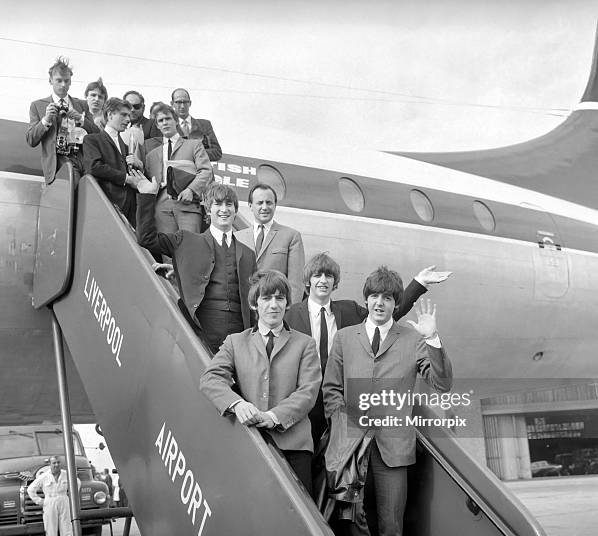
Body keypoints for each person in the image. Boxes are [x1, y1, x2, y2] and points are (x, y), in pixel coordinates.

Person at [322, 267, 453, 536]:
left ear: (396, 304)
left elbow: (442, 383)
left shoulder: (412, 339)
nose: (380, 302)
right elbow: (331, 390)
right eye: (375, 296)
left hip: (394, 449)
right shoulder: (345, 338)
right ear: (366, 299)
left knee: (391, 533)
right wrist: (342, 424)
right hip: (351, 446)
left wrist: (434, 339)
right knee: (352, 520)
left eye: (388, 298)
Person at [285, 252, 451, 445]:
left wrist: (419, 284)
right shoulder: (290, 316)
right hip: (305, 404)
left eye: (328, 276)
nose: (323, 281)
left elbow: (385, 313)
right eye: (317, 276)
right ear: (308, 281)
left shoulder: (349, 310)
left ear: (335, 282)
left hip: (343, 407)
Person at [200, 270, 321, 493]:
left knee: (297, 524)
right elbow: (210, 378)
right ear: (255, 303)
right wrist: (237, 404)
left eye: (279, 298)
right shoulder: (235, 342)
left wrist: (273, 417)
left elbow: (308, 391)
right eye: (266, 298)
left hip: (294, 446)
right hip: (250, 443)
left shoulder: (305, 344)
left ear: (287, 303)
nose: (273, 305)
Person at [136, 182, 256, 352]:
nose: (224, 209)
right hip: (201, 329)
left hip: (240, 337)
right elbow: (146, 239)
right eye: (218, 204)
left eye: (229, 204)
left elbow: (254, 301)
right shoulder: (185, 240)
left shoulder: (248, 254)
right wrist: (147, 196)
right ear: (208, 209)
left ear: (235, 211)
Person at [26, 56, 98, 185]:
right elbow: (31, 140)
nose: (63, 85)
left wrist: (80, 118)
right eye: (59, 80)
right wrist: (46, 120)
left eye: (67, 81)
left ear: (70, 82)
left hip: (84, 160)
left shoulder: (82, 105)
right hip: (59, 162)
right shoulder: (37, 105)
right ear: (50, 81)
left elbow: (96, 134)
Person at [144, 102, 213, 233]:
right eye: (161, 120)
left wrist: (191, 190)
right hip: (161, 207)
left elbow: (205, 171)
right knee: (167, 250)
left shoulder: (194, 145)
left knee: (190, 247)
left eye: (168, 118)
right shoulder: (151, 156)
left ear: (176, 121)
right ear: (157, 125)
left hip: (187, 203)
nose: (165, 122)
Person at [235, 183, 305, 304]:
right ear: (250, 206)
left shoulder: (292, 236)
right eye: (260, 203)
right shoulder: (237, 237)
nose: (264, 207)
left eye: (269, 203)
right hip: (244, 310)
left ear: (275, 205)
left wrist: (291, 312)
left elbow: (296, 283)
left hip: (275, 308)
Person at [83, 97, 146, 227]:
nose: (128, 119)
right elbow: (94, 167)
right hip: (106, 204)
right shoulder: (92, 139)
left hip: (129, 207)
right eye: (123, 115)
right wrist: (127, 179)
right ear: (110, 115)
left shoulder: (125, 144)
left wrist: (139, 166)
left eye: (128, 116)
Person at [27, 456, 80, 536]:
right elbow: (30, 489)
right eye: (54, 463)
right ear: (50, 464)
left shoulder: (67, 474)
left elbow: (78, 483)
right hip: (49, 502)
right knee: (50, 532)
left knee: (67, 530)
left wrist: (72, 496)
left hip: (63, 500)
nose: (56, 465)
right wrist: (40, 501)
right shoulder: (44, 476)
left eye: (58, 462)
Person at [171, 88, 222, 161]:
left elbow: (217, 153)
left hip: (201, 171)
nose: (182, 106)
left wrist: (195, 153)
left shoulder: (205, 125)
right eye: (178, 102)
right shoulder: (168, 127)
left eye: (185, 102)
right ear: (172, 104)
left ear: (190, 103)